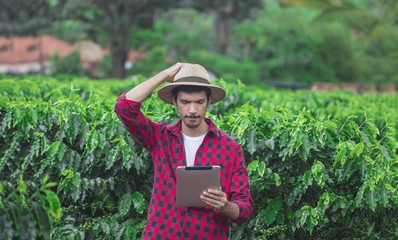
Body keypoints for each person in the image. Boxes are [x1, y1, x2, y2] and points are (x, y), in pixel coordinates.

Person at [114, 63, 252, 239]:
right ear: (174, 101)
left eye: (199, 102)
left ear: (209, 101)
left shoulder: (230, 149)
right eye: (185, 102)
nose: (192, 110)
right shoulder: (160, 138)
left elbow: (245, 208)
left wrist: (226, 206)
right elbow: (124, 108)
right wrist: (164, 75)